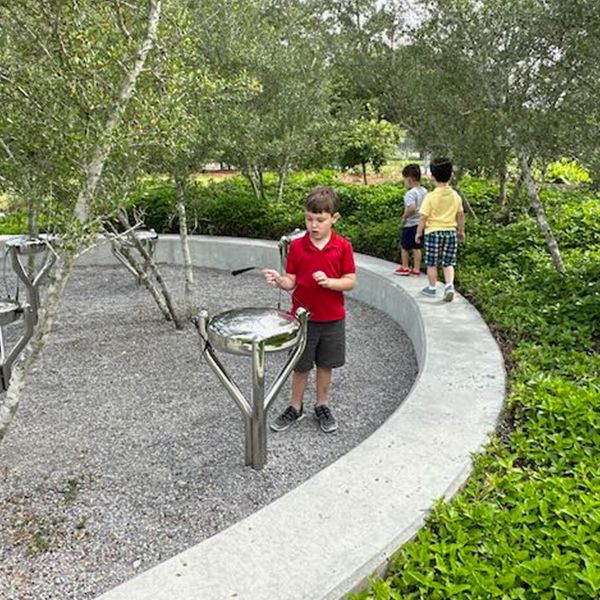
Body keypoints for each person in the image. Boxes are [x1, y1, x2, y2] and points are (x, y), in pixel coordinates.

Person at [262, 186, 356, 433]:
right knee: (300, 365)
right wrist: (279, 280)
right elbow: (291, 281)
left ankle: (322, 405)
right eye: (309, 219)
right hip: (302, 320)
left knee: (325, 365)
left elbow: (350, 281)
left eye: (320, 220)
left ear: (334, 218)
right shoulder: (298, 246)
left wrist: (330, 282)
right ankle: (295, 407)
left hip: (332, 319)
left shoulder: (342, 246)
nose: (313, 225)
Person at [415, 157, 465, 302]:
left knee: (432, 263)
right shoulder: (455, 196)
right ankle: (449, 286)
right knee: (448, 262)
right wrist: (461, 232)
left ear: (432, 176)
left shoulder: (430, 197)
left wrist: (418, 233)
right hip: (450, 233)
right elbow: (460, 215)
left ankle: (432, 288)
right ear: (451, 176)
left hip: (433, 233)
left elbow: (423, 217)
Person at [394, 163, 427, 276]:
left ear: (410, 179)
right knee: (416, 247)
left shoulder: (410, 193)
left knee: (405, 247)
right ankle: (416, 269)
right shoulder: (423, 191)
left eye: (404, 179)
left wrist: (404, 216)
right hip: (420, 224)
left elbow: (411, 207)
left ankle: (405, 267)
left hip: (410, 224)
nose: (404, 182)